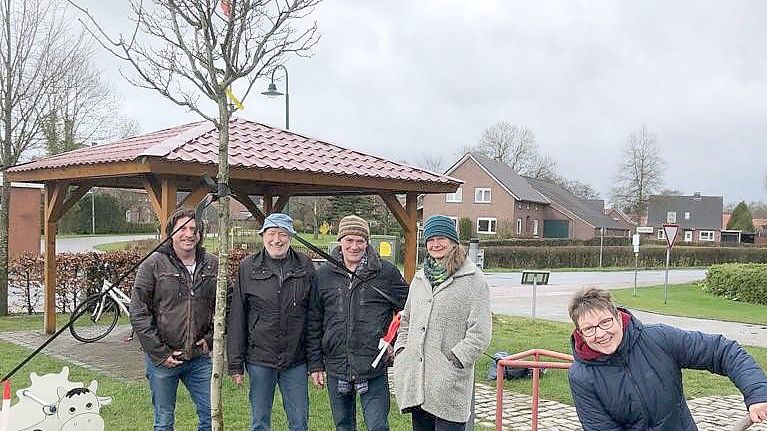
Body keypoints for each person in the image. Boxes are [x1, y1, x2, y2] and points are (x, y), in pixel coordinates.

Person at [567, 287, 767, 430]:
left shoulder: (658, 339)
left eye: (605, 322)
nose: (600, 333)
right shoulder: (581, 375)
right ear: (580, 333)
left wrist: (757, 393)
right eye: (589, 328)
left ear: (619, 317)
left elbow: (722, 351)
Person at [306, 215, 409, 431]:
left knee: (377, 426)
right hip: (336, 364)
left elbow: (408, 310)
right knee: (343, 426)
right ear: (340, 241)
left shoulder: (386, 273)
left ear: (367, 243)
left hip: (372, 365)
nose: (354, 246)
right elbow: (314, 321)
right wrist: (316, 364)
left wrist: (395, 341)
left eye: (360, 241)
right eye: (349, 240)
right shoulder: (323, 275)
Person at [392, 215, 492, 431]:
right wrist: (402, 350)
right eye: (430, 239)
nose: (435, 244)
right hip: (418, 381)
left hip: (449, 381)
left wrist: (455, 360)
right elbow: (406, 319)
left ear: (453, 241)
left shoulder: (473, 280)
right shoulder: (420, 279)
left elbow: (480, 332)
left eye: (441, 238)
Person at [131, 208, 218, 431]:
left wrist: (211, 337)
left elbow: (226, 307)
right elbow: (139, 312)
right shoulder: (152, 264)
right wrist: (160, 353)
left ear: (200, 234)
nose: (188, 234)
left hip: (199, 360)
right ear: (171, 233)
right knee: (164, 420)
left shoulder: (213, 264)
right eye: (182, 229)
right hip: (163, 359)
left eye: (193, 229)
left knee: (211, 414)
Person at [227, 213, 314, 431]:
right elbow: (237, 316)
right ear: (263, 236)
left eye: (282, 234)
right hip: (259, 359)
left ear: (291, 237)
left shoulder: (305, 266)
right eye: (272, 234)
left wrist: (315, 363)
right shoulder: (248, 267)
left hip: (295, 359)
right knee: (259, 422)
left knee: (299, 422)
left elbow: (313, 316)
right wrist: (235, 363)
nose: (277, 240)